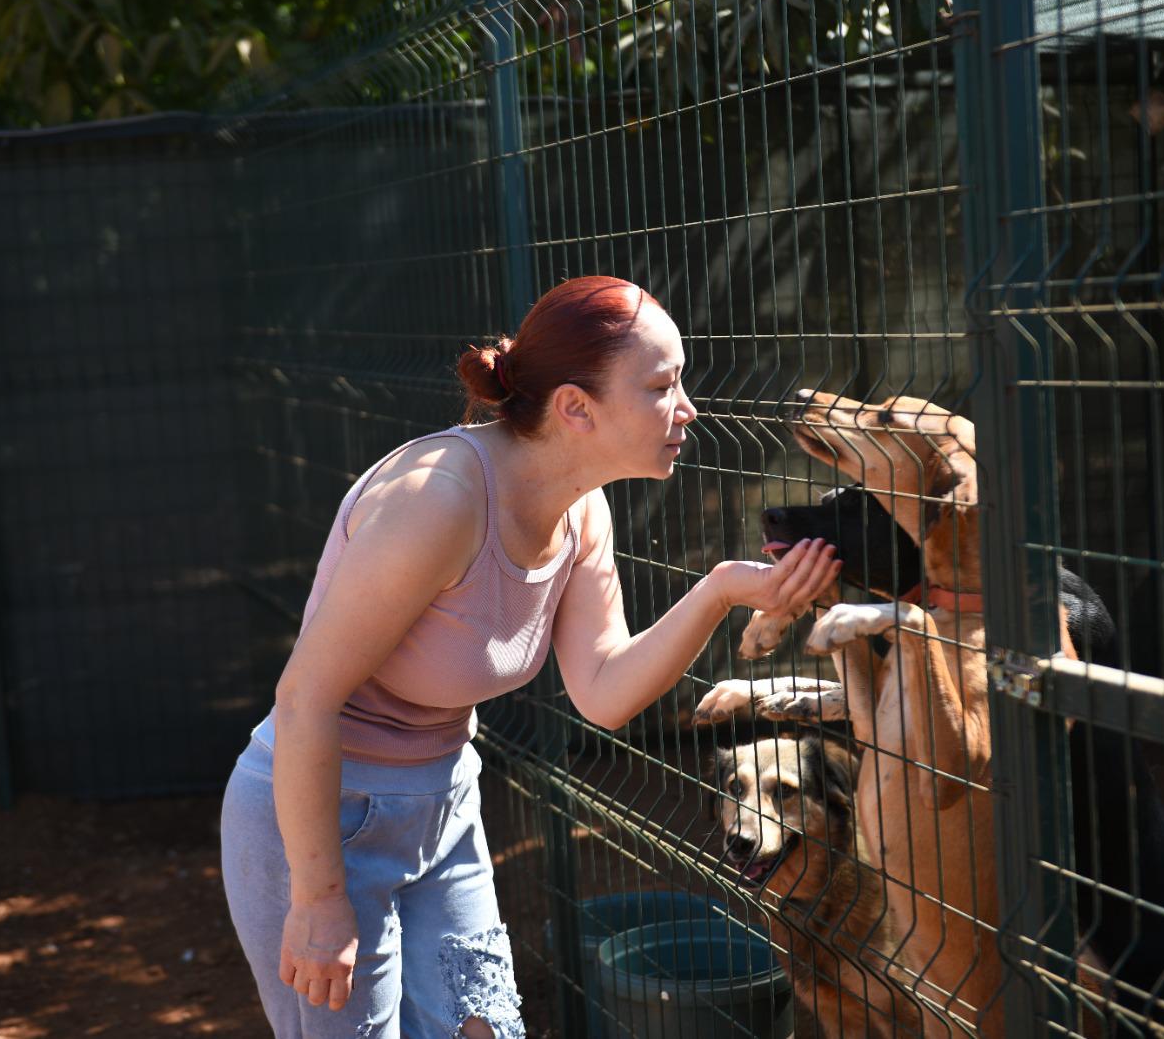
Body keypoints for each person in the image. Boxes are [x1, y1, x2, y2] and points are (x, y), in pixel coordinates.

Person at [220, 276, 841, 1039]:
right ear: (576, 408)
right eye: (660, 386)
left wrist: (720, 591)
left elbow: (605, 690)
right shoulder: (438, 498)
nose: (688, 409)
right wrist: (318, 900)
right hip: (318, 817)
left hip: (443, 805)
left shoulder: (580, 506)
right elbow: (305, 697)